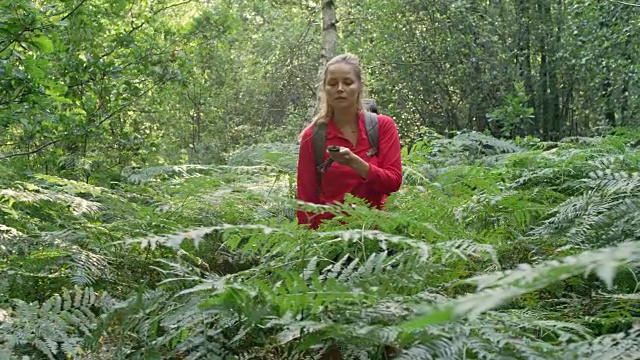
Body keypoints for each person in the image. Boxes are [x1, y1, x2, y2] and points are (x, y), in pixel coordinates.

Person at [296, 53, 403, 229]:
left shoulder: (382, 126)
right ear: (325, 88)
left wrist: (355, 163)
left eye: (347, 82)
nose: (339, 88)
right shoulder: (313, 136)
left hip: (377, 237)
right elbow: (306, 200)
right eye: (332, 83)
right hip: (331, 240)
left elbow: (393, 182)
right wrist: (307, 245)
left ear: (359, 86)